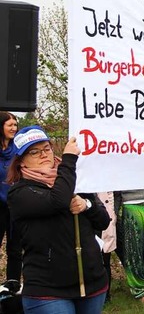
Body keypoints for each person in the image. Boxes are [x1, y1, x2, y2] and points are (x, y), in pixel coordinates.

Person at [8, 126, 110, 313]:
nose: (43, 154)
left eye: (46, 148)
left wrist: (87, 204)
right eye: (34, 152)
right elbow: (58, 201)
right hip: (48, 290)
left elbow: (103, 221)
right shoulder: (20, 193)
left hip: (93, 285)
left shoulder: (74, 180)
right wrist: (69, 160)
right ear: (21, 161)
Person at [0, 112, 22, 281]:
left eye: (15, 125)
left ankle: (12, 287)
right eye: (10, 125)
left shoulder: (19, 149)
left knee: (15, 249)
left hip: (15, 204)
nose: (14, 128)